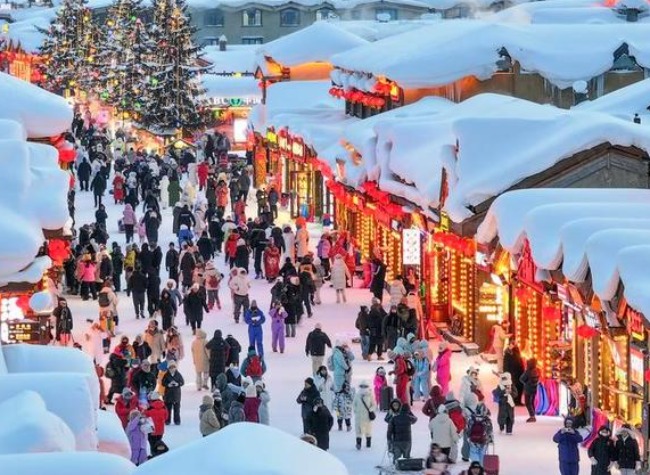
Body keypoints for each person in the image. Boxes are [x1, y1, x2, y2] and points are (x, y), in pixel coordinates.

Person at [352, 380, 376, 450]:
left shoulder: (370, 395)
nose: (363, 388)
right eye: (362, 386)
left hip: (367, 417)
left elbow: (374, 404)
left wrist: (370, 410)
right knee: (358, 431)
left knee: (368, 431)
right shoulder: (357, 395)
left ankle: (368, 444)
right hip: (359, 417)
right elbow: (354, 404)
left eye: (365, 386)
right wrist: (356, 411)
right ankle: (358, 444)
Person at [162, 361, 184, 425]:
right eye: (170, 368)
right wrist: (168, 384)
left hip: (176, 394)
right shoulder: (166, 375)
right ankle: (167, 420)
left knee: (177, 409)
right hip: (168, 395)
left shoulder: (178, 374)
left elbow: (182, 382)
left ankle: (177, 420)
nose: (172, 369)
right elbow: (163, 382)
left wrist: (177, 384)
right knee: (168, 408)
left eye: (173, 367)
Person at [503, 340, 525, 405]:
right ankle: (513, 401)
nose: (513, 345)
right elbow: (506, 365)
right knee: (513, 387)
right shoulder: (508, 353)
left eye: (514, 344)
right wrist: (506, 374)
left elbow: (520, 362)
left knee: (519, 387)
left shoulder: (516, 351)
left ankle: (518, 401)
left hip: (519, 372)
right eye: (512, 344)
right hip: (512, 373)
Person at [520, 358, 540, 422]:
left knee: (528, 403)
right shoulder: (536, 370)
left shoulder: (528, 371)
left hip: (528, 389)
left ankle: (532, 416)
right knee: (532, 402)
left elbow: (521, 379)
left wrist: (526, 383)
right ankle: (533, 415)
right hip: (534, 388)